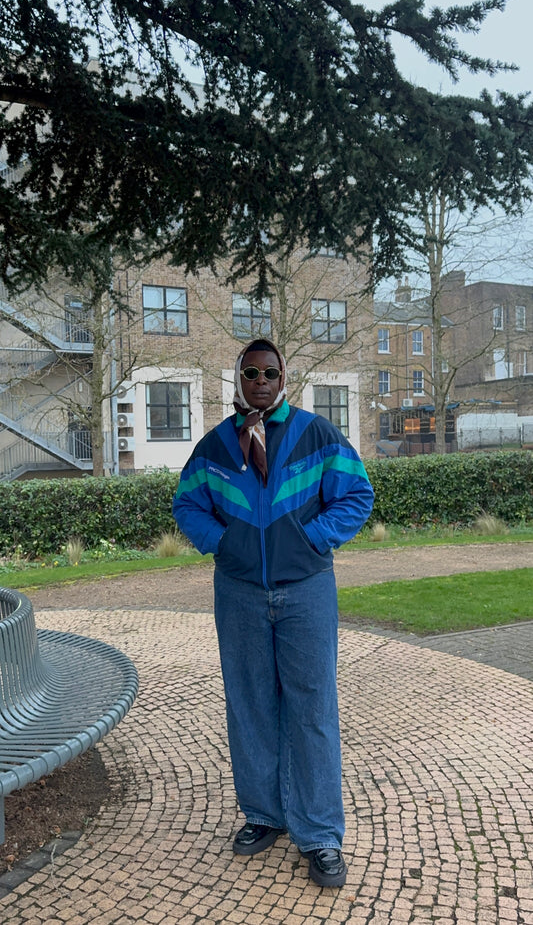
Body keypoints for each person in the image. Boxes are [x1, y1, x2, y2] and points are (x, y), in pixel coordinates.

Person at [172, 338, 374, 888]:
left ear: (284, 377)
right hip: (238, 592)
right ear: (239, 379)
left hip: (306, 589)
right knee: (250, 703)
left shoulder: (317, 434)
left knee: (312, 709)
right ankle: (264, 814)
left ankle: (321, 834)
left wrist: (311, 539)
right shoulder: (216, 445)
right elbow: (186, 502)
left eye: (269, 371)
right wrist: (222, 541)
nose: (260, 379)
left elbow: (357, 495)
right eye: (250, 371)